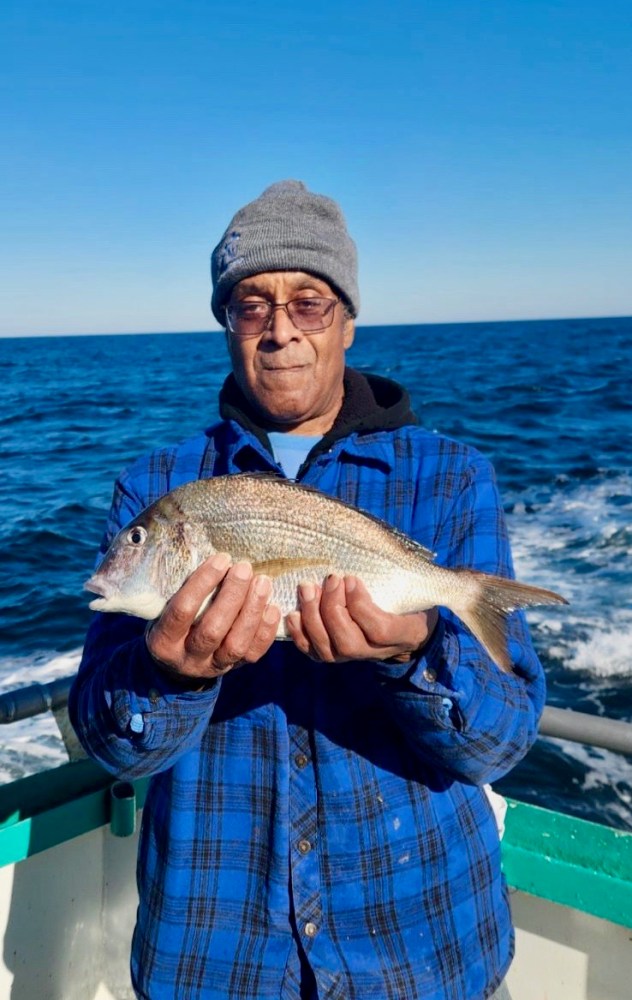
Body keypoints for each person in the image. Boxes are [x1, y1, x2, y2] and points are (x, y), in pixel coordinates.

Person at [70, 180, 542, 1000]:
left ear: (349, 320)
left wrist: (417, 649)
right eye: (251, 305)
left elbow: (500, 743)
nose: (280, 328)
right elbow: (111, 743)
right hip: (215, 965)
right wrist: (170, 674)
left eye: (310, 303)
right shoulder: (153, 483)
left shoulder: (453, 476)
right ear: (226, 326)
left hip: (427, 953)